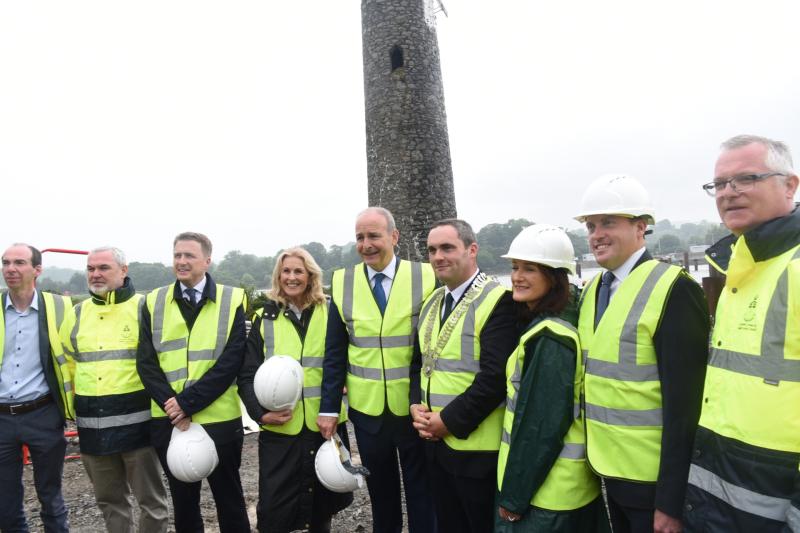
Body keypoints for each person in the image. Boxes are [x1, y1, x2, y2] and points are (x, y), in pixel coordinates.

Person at [575, 174, 709, 533]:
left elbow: (686, 408)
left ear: (641, 227)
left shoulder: (674, 289)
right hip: (608, 471)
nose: (596, 234)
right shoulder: (591, 292)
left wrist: (671, 501)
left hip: (651, 481)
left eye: (608, 223)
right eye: (591, 225)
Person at [684, 135, 800, 531]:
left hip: (774, 507)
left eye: (746, 178)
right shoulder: (738, 265)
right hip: (716, 503)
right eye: (719, 184)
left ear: (790, 185)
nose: (728, 193)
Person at [317, 207, 437, 533]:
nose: (366, 244)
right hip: (367, 411)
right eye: (360, 237)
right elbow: (334, 352)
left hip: (415, 408)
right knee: (380, 493)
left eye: (374, 236)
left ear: (394, 237)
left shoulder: (425, 276)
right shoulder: (342, 282)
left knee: (422, 491)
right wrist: (328, 408)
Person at [136, 232, 250, 533]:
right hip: (169, 420)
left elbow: (232, 360)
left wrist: (188, 402)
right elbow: (146, 363)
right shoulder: (153, 302)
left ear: (207, 260)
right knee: (184, 504)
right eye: (177, 255)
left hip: (219, 419)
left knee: (230, 499)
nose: (182, 261)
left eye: (189, 255)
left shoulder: (232, 298)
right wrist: (174, 407)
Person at [495, 224, 606, 532]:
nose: (517, 277)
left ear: (555, 276)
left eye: (529, 269)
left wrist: (514, 497)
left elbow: (539, 426)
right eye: (515, 267)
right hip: (569, 487)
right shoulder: (570, 317)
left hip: (546, 495)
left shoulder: (551, 339)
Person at [410, 219, 517, 533]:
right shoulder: (432, 302)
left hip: (477, 451)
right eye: (432, 250)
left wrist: (448, 422)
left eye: (447, 248)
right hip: (435, 447)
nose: (438, 256)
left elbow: (495, 378)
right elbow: (419, 364)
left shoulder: (498, 301)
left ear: (472, 250)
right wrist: (414, 404)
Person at [239, 247, 352, 533]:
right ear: (278, 276)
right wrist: (260, 414)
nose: (291, 277)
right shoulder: (266, 317)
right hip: (281, 430)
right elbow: (247, 372)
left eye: (298, 271)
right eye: (286, 271)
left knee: (322, 504)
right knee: (275, 509)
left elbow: (349, 359)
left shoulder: (331, 311)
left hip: (324, 424)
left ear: (310, 275)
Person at [60, 246, 169, 533]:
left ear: (124, 270)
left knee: (151, 502)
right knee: (109, 502)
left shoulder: (144, 308)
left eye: (103, 268)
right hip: (92, 426)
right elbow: (69, 366)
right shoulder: (77, 313)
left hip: (138, 426)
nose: (95, 274)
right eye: (91, 268)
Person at [0, 243, 74, 532]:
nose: (10, 269)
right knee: (5, 504)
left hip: (43, 413)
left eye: (19, 262)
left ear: (37, 270)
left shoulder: (61, 307)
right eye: (6, 263)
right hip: (2, 417)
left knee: (50, 497)